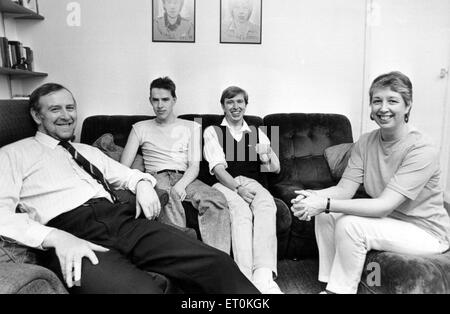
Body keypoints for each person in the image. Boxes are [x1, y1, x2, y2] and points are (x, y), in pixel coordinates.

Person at [0, 83, 259, 294]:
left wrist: (144, 184)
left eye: (70, 107)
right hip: (71, 233)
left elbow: (128, 175)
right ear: (36, 115)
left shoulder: (86, 151)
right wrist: (55, 238)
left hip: (124, 221)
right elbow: (2, 214)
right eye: (55, 109)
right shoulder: (12, 154)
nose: (66, 115)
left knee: (217, 263)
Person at [291, 71, 450, 294]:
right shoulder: (366, 141)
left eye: (392, 100)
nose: (383, 108)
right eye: (377, 101)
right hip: (390, 220)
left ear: (408, 106)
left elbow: (384, 205)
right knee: (326, 215)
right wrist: (313, 196)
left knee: (349, 225)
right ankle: (329, 284)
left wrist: (325, 203)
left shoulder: (422, 149)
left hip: (426, 232)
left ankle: (340, 291)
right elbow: (344, 189)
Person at [120, 77, 231, 253]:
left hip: (185, 176)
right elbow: (123, 167)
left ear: (174, 100)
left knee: (216, 199)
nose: (160, 105)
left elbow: (194, 166)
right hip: (156, 176)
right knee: (167, 200)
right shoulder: (139, 128)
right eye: (155, 100)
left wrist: (180, 185)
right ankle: (182, 258)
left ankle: (218, 261)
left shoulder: (192, 126)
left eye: (165, 99)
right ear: (150, 101)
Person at [203, 86, 283, 294]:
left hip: (252, 182)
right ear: (223, 106)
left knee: (266, 204)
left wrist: (267, 155)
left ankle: (263, 277)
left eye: (239, 102)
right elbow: (218, 169)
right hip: (225, 183)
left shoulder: (257, 132)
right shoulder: (213, 131)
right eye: (230, 102)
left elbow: (275, 168)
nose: (235, 107)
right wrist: (238, 189)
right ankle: (244, 278)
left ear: (246, 105)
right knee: (241, 211)